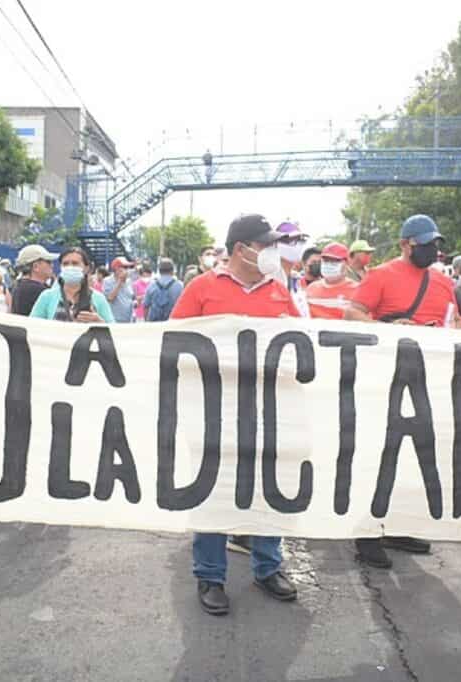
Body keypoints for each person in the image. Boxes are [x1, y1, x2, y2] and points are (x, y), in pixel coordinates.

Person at [170, 213, 298, 616]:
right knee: (213, 490)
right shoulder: (202, 288)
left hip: (267, 408)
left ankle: (268, 567)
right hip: (213, 408)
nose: (273, 251)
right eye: (266, 245)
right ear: (241, 249)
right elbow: (173, 340)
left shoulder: (278, 290)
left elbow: (300, 344)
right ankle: (210, 574)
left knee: (267, 487)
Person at [345, 214, 457, 568]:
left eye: (435, 244)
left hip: (426, 380)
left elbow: (455, 323)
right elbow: (352, 314)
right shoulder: (381, 275)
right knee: (379, 455)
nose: (431, 250)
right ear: (405, 244)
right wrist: (388, 328)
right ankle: (367, 534)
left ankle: (396, 527)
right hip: (384, 380)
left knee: (414, 456)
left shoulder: (443, 283)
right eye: (424, 244)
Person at [29, 246, 114, 323]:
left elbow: (113, 329)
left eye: (75, 263)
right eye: (65, 264)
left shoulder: (98, 298)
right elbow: (33, 325)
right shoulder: (47, 296)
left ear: (86, 268)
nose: (70, 267)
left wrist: (99, 322)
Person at [306, 242, 358, 319]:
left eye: (335, 261)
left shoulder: (357, 290)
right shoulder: (311, 288)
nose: (329, 264)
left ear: (347, 263)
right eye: (326, 260)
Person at [275, 221, 311, 317]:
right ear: (277, 244)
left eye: (301, 240)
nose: (298, 245)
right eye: (292, 241)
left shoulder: (297, 279)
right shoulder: (269, 278)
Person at [12, 244, 59, 316]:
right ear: (35, 266)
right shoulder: (38, 290)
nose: (52, 265)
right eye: (48, 262)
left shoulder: (19, 285)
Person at [102, 256, 136, 323]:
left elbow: (132, 297)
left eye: (127, 267)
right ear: (116, 268)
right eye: (125, 267)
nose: (127, 269)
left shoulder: (129, 281)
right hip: (115, 319)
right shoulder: (107, 281)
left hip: (129, 319)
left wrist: (135, 302)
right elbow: (109, 298)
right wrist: (120, 282)